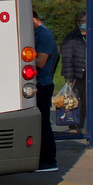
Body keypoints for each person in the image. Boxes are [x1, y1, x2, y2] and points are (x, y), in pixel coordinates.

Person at [60, 9, 93, 133]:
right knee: (75, 100)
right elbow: (67, 58)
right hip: (77, 74)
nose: (87, 23)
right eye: (85, 21)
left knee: (85, 100)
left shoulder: (90, 36)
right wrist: (69, 78)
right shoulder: (72, 38)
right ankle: (74, 124)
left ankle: (80, 124)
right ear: (78, 23)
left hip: (88, 73)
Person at [32, 9, 59, 172]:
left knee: (43, 123)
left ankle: (48, 160)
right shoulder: (38, 33)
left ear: (34, 19)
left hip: (42, 84)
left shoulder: (44, 35)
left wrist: (22, 56)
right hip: (37, 84)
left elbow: (41, 62)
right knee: (39, 122)